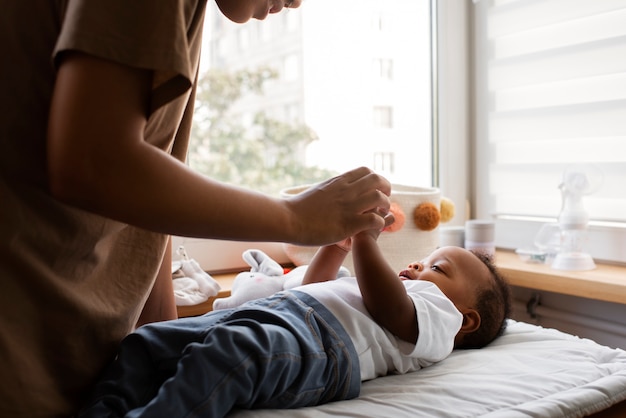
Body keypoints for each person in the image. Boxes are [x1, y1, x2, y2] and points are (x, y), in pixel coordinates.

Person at [0, 1, 392, 416]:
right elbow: (93, 161)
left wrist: (166, 344)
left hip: (78, 366)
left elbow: (143, 211)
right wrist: (295, 217)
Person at [78, 216, 512, 417]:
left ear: (467, 319)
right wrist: (339, 246)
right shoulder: (370, 286)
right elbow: (310, 286)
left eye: (437, 267)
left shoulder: (440, 317)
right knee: (150, 340)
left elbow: (391, 310)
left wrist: (366, 242)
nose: (418, 266)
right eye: (423, 258)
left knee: (233, 355)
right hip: (281, 312)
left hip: (323, 346)